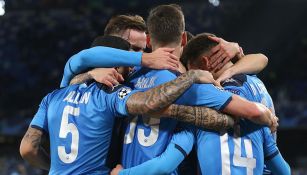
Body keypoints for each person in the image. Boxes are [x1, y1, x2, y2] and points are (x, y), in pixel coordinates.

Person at [61, 5, 277, 173]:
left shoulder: (124, 81)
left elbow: (79, 61)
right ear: (182, 38)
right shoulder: (187, 86)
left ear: (148, 40)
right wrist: (267, 118)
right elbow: (253, 111)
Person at [19, 35, 235, 175]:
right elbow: (152, 102)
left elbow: (28, 148)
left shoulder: (53, 96)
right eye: (126, 65)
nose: (130, 71)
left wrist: (60, 168)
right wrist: (191, 76)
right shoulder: (109, 94)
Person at [114, 33, 290, 175]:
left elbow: (166, 164)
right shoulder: (255, 84)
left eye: (192, 71)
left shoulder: (208, 101)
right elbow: (284, 170)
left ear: (203, 65)